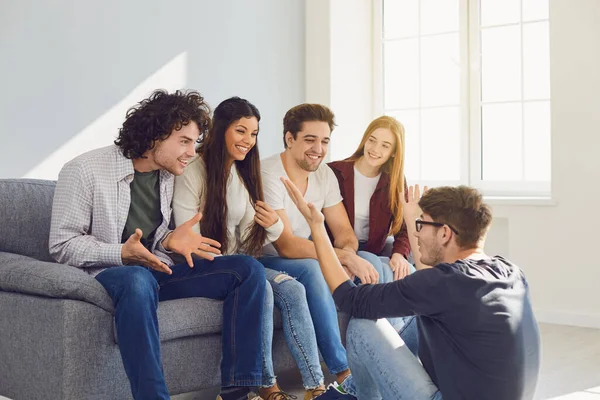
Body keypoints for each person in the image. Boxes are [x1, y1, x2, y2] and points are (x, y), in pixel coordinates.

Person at [49, 90, 266, 400]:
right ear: (154, 136)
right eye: (184, 141)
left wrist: (169, 240)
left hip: (155, 271)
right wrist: (121, 253)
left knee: (246, 270)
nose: (192, 152)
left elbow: (154, 238)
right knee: (137, 278)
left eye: (195, 142)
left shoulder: (165, 175)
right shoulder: (85, 170)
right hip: (108, 274)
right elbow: (62, 245)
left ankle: (237, 391)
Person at [281, 179, 541, 400]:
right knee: (423, 316)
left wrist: (317, 227)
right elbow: (433, 285)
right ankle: (349, 390)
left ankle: (351, 394)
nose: (415, 234)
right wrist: (409, 216)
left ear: (445, 234)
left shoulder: (443, 284)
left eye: (422, 225)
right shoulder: (509, 271)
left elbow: (350, 298)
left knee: (362, 326)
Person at [172, 97, 330, 400]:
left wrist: (271, 224)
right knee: (263, 286)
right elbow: (187, 235)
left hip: (242, 263)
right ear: (221, 130)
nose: (248, 140)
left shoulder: (240, 172)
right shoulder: (194, 170)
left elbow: (249, 238)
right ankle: (268, 387)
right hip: (208, 266)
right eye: (241, 131)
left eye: (254, 133)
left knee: (294, 290)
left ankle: (316, 387)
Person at [259, 104, 390, 397]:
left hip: (308, 252)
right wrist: (338, 258)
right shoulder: (267, 173)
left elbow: (344, 231)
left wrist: (347, 254)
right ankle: (343, 370)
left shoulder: (324, 175)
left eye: (325, 141)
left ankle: (375, 359)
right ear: (289, 138)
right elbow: (287, 244)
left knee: (370, 263)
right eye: (310, 140)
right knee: (313, 268)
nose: (319, 149)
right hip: (268, 257)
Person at [328, 116, 412, 282]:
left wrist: (399, 254)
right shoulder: (334, 172)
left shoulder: (396, 181)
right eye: (372, 140)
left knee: (405, 268)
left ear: (394, 152)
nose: (375, 149)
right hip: (339, 248)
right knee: (373, 265)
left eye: (385, 146)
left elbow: (404, 227)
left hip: (373, 248)